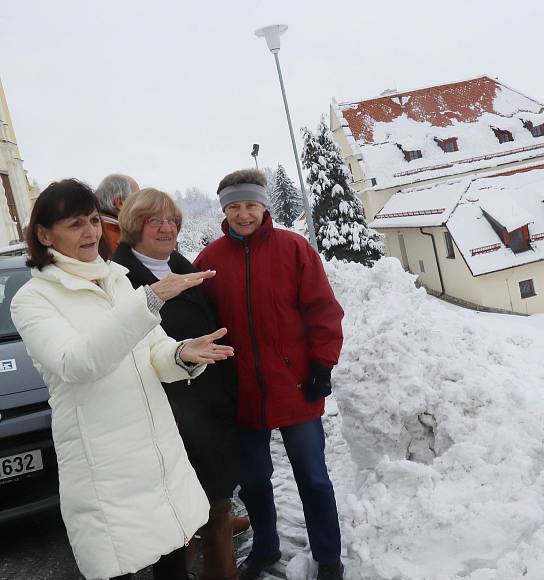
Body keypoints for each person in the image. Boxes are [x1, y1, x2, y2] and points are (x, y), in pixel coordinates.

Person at [11, 179, 234, 580]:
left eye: (94, 220)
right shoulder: (33, 299)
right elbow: (76, 363)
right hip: (106, 470)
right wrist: (150, 301)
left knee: (174, 567)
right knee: (118, 568)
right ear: (45, 235)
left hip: (158, 457)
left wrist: (182, 354)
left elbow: (154, 352)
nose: (91, 232)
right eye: (75, 223)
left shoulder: (117, 279)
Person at [194, 169, 345, 580]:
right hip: (241, 393)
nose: (243, 214)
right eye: (234, 206)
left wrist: (322, 365)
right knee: (255, 481)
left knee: (313, 476)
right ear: (224, 209)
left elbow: (323, 311)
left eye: (251, 205)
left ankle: (329, 556)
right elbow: (199, 327)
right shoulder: (208, 262)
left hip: (296, 385)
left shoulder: (294, 249)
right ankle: (265, 547)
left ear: (265, 206)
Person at [113, 188, 243, 580]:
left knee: (217, 507)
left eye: (172, 220)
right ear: (135, 226)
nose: (166, 228)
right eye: (155, 220)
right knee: (176, 522)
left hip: (210, 410)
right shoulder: (118, 280)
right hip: (166, 415)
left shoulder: (183, 267)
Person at [94, 173, 139, 252]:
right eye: (137, 199)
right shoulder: (118, 242)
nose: (142, 206)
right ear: (120, 203)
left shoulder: (94, 232)